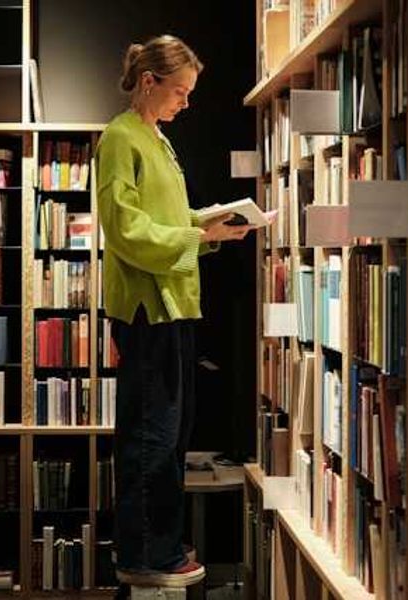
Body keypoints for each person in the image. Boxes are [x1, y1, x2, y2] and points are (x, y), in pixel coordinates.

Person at [95, 34, 254, 589]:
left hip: (175, 301)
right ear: (149, 82)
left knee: (172, 432)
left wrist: (212, 228)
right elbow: (126, 230)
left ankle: (159, 543)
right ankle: (143, 552)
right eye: (180, 91)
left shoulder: (157, 139)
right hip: (146, 305)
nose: (187, 102)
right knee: (150, 435)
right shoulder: (121, 139)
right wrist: (196, 231)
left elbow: (168, 214)